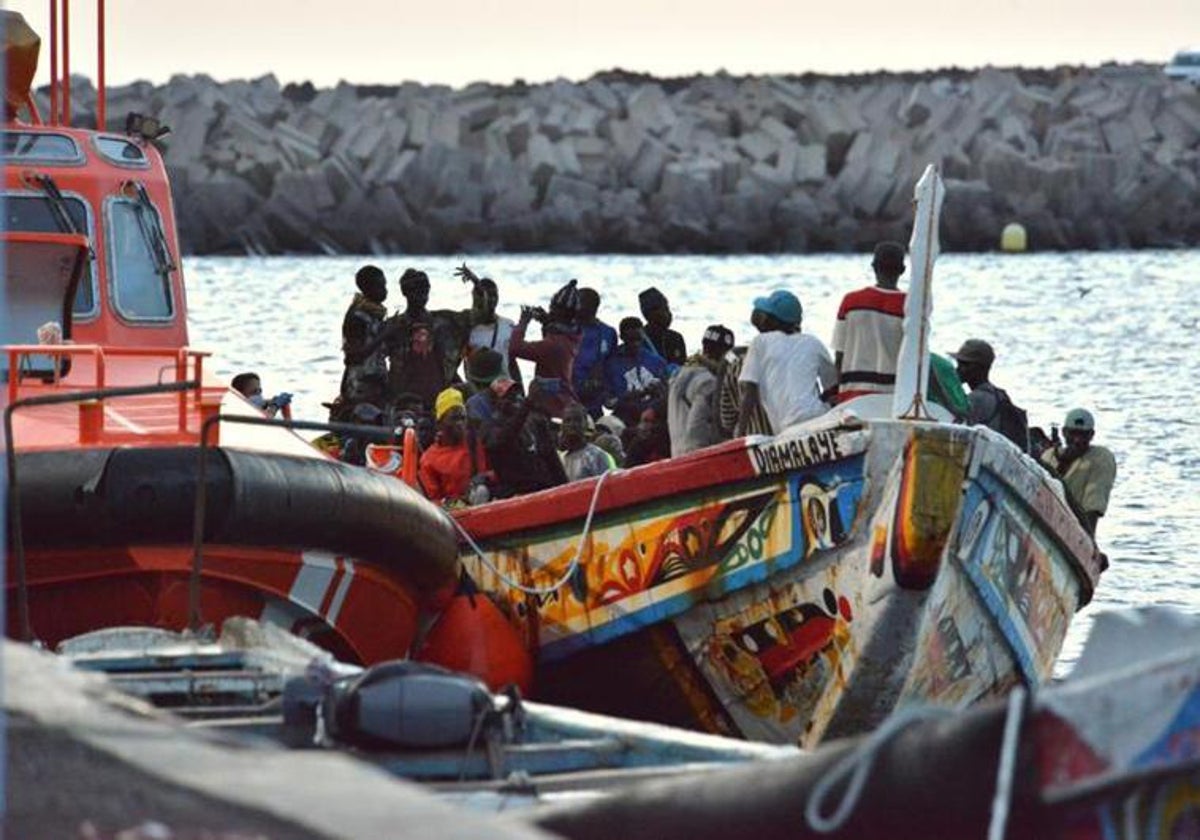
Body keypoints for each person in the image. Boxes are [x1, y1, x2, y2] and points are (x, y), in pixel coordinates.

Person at [736, 290, 835, 436]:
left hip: (787, 427)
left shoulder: (760, 342)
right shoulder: (813, 342)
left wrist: (740, 434)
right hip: (819, 418)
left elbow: (749, 391)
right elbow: (833, 388)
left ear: (774, 320)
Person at [385, 268, 474, 412]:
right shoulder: (394, 326)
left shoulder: (443, 320)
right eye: (416, 291)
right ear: (405, 292)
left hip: (439, 394)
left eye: (425, 291)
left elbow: (478, 315)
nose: (421, 296)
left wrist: (476, 283)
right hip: (404, 397)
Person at [831, 242, 907, 403]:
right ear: (902, 270)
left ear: (873, 267)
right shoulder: (910, 306)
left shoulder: (850, 302)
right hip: (894, 398)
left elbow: (839, 356)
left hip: (851, 396)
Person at [478, 378, 567, 498]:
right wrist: (527, 404)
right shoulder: (490, 427)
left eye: (517, 393)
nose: (516, 398)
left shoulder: (534, 421)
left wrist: (566, 488)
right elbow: (502, 440)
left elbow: (551, 457)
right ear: (496, 402)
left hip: (545, 489)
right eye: (509, 396)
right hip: (516, 495)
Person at [509, 279, 583, 417]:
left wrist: (523, 323)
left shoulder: (553, 345)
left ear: (558, 311)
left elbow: (515, 348)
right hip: (565, 401)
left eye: (552, 308)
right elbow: (557, 330)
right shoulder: (574, 336)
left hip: (553, 407)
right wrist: (547, 322)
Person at [1040, 408, 1117, 537]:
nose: (1077, 440)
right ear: (1064, 433)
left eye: (1083, 435)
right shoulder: (1049, 457)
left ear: (1091, 435)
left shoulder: (1099, 458)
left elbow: (1093, 506)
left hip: (1075, 530)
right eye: (1073, 434)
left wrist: (1088, 542)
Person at [949, 338, 1029, 450]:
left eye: (965, 364)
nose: (958, 369)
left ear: (979, 368)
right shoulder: (999, 395)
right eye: (958, 364)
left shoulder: (976, 399)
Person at [668, 324, 735, 456]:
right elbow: (698, 425)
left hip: (678, 454)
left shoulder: (679, 375)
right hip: (699, 457)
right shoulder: (708, 383)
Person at [419, 387, 485, 506]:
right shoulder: (428, 460)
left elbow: (486, 472)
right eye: (454, 419)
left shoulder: (473, 442)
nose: (460, 424)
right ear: (440, 423)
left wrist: (482, 479)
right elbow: (432, 502)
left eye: (462, 418)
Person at [459, 265, 522, 390]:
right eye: (487, 296)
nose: (491, 300)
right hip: (479, 388)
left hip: (504, 390)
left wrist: (520, 389)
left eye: (494, 295)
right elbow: (464, 364)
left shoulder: (508, 325)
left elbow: (512, 363)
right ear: (475, 298)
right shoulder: (468, 329)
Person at [604, 317, 669, 428]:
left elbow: (668, 393)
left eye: (638, 339)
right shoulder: (611, 364)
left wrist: (660, 390)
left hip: (655, 419)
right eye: (631, 340)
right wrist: (633, 396)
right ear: (622, 338)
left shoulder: (657, 361)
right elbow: (608, 403)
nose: (635, 344)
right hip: (625, 420)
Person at [340, 264, 390, 409]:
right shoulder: (356, 316)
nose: (385, 291)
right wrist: (386, 334)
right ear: (367, 288)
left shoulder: (374, 314)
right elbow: (354, 356)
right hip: (359, 387)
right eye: (380, 286)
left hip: (376, 384)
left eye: (385, 285)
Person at [572, 287, 619, 418]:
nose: (574, 306)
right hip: (568, 400)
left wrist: (610, 393)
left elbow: (611, 365)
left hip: (595, 402)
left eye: (578, 302)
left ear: (593, 307)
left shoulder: (608, 333)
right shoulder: (566, 330)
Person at [559, 402, 615, 481]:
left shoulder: (597, 456)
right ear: (562, 426)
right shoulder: (560, 460)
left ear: (585, 424)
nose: (572, 424)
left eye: (577, 420)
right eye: (568, 420)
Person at [638, 287, 687, 367]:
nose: (669, 314)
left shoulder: (676, 338)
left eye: (667, 308)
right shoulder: (638, 341)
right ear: (649, 314)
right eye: (664, 309)